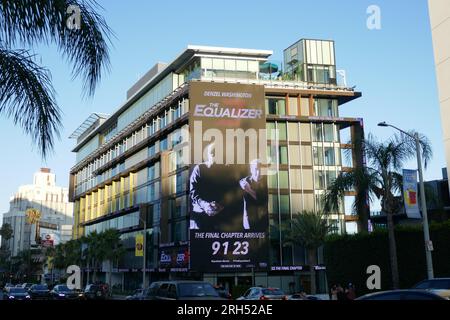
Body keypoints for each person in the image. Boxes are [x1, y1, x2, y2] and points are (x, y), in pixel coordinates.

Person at [189, 143, 241, 231]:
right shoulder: (199, 168)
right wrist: (205, 205)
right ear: (208, 154)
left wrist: (222, 205)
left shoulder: (228, 170)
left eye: (217, 153)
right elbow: (193, 191)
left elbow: (234, 191)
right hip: (201, 215)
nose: (214, 155)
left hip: (222, 215)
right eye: (212, 153)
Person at [239, 159, 267, 230]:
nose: (258, 172)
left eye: (260, 169)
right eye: (256, 169)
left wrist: (249, 190)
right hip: (248, 223)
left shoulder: (266, 183)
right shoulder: (244, 181)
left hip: (263, 223)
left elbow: (261, 200)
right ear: (251, 170)